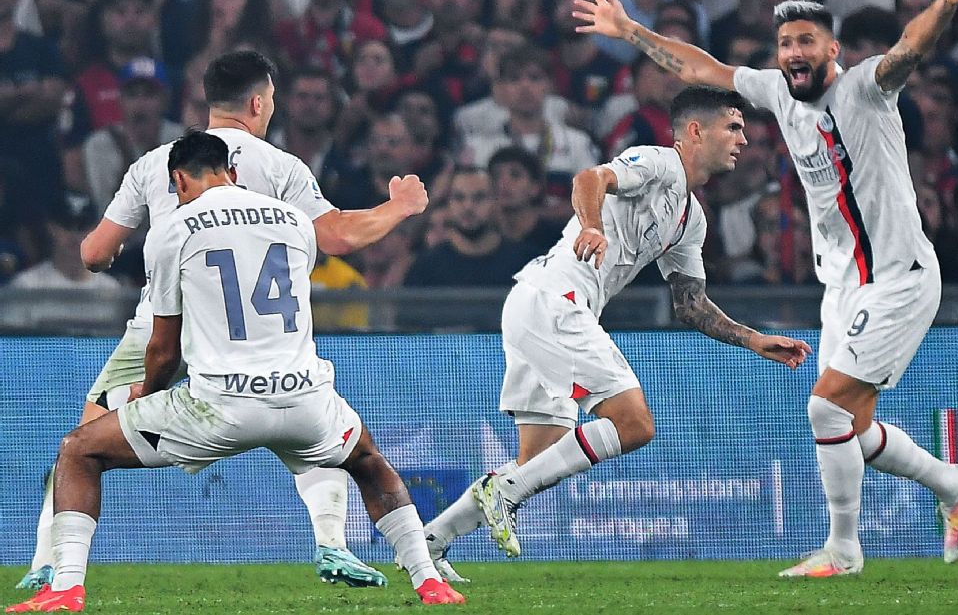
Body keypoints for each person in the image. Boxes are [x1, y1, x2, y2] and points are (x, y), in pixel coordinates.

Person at [572, 0, 958, 576]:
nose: (793, 51)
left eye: (807, 42)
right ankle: (954, 484)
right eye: (785, 42)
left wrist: (945, 3)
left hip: (898, 277)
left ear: (833, 51)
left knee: (826, 409)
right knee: (855, 426)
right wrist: (629, 29)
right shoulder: (775, 92)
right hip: (842, 283)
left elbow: (908, 49)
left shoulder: (866, 88)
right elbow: (701, 67)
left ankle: (844, 550)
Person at [15, 50, 429, 591]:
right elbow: (338, 237)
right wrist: (397, 207)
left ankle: (48, 565)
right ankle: (334, 544)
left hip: (161, 324)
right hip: (255, 329)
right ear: (260, 102)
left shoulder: (155, 163)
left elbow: (93, 254)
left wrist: (116, 254)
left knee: (87, 436)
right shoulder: (279, 166)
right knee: (315, 430)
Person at [420, 86, 811, 573]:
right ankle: (501, 494)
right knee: (634, 424)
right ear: (695, 131)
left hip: (536, 303)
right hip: (555, 300)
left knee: (537, 460)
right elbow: (590, 177)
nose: (743, 139)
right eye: (733, 127)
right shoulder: (658, 162)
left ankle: (429, 543)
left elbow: (691, 306)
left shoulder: (692, 219)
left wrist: (754, 339)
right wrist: (592, 226)